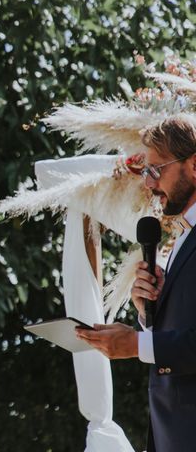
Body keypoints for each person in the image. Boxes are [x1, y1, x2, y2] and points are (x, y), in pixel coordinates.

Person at [77, 115, 196, 451]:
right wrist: (148, 313)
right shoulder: (184, 237)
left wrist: (136, 346)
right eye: (145, 172)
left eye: (156, 170)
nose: (148, 183)